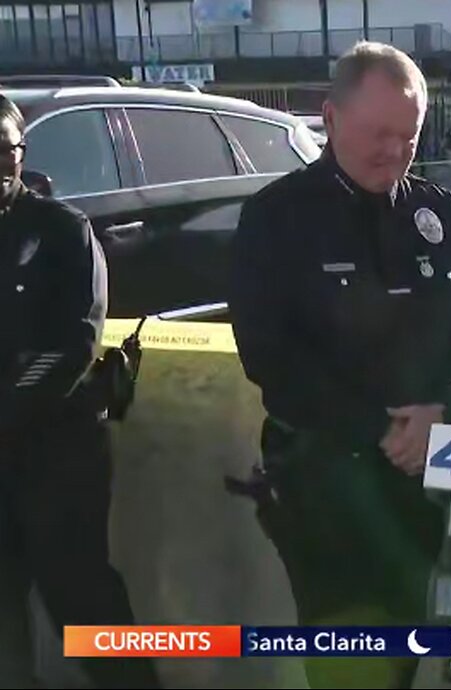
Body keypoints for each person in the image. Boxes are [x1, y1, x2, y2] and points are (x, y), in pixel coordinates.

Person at [228, 42, 451, 690]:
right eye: (379, 134)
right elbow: (269, 355)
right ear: (330, 117)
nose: (395, 151)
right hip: (330, 476)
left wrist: (445, 409)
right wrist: (380, 431)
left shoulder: (440, 211)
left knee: (449, 645)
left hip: (441, 464)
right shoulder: (276, 217)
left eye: (409, 136)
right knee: (352, 661)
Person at [0, 94, 159, 689]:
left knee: (84, 606)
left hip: (54, 452)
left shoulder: (60, 230)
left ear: (22, 152)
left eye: (5, 150)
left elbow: (75, 342)